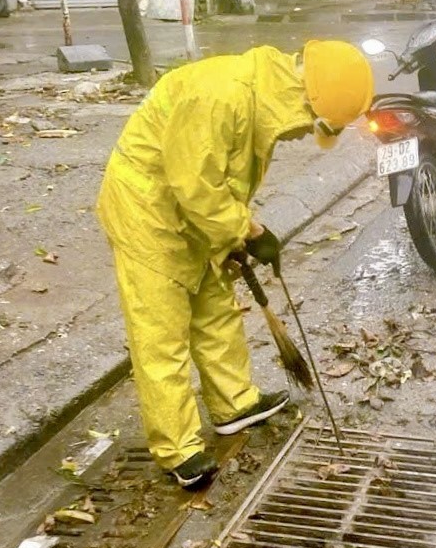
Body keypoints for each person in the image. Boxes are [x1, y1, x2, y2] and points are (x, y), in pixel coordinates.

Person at [96, 41, 374, 489]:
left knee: (216, 309)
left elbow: (218, 180)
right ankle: (178, 448)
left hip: (193, 215)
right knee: (161, 333)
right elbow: (194, 184)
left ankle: (233, 404)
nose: (306, 135)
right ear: (305, 101)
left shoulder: (260, 101)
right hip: (148, 213)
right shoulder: (220, 96)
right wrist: (250, 232)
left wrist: (232, 238)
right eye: (315, 126)